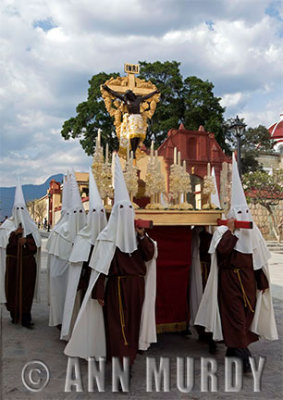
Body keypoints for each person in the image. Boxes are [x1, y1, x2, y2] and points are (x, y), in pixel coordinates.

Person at [65, 154, 157, 371]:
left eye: (129, 211)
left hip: (136, 286)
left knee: (132, 324)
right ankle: (119, 364)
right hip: (115, 288)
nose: (125, 215)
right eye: (121, 211)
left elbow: (149, 255)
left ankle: (129, 359)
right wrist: (99, 291)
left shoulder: (140, 238)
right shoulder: (107, 236)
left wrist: (141, 235)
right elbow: (99, 267)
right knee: (118, 327)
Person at [195, 154, 278, 372]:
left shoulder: (254, 233)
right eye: (238, 212)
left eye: (245, 212)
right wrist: (231, 232)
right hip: (230, 280)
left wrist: (262, 281)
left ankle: (234, 348)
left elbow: (259, 258)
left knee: (246, 316)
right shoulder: (223, 232)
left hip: (249, 280)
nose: (243, 215)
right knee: (235, 317)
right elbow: (221, 252)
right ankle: (244, 357)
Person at [60, 168, 107, 341]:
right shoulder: (82, 237)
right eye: (94, 213)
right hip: (85, 284)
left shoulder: (108, 238)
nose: (98, 217)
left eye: (101, 213)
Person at [47, 171, 86, 328]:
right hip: (61, 277)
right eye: (73, 213)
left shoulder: (85, 229)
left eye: (79, 213)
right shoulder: (59, 231)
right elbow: (55, 264)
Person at [1, 181, 41, 328]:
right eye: (16, 208)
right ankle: (13, 313)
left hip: (27, 264)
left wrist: (26, 241)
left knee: (26, 290)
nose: (19, 211)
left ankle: (25, 317)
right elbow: (5, 244)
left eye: (21, 208)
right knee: (12, 288)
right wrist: (14, 235)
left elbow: (36, 246)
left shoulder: (31, 226)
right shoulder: (7, 225)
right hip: (13, 263)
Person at [102, 84, 159, 157]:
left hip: (138, 118)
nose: (129, 96)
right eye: (127, 95)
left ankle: (134, 150)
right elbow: (116, 94)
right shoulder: (126, 100)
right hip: (132, 118)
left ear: (132, 94)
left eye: (129, 95)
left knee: (138, 136)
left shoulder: (138, 100)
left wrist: (154, 92)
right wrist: (107, 89)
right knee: (133, 135)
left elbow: (147, 96)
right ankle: (133, 151)